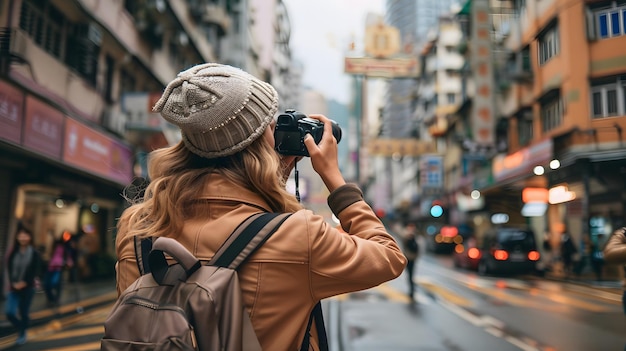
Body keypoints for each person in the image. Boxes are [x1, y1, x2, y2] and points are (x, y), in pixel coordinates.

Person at [114, 63, 407, 351]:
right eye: (271, 126)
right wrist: (334, 178)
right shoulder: (298, 234)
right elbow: (388, 257)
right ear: (260, 143)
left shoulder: (139, 227)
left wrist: (270, 180)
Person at [5, 223, 42, 345]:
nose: (23, 237)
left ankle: (22, 334)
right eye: (20, 235)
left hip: (27, 288)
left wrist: (24, 282)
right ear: (17, 237)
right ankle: (22, 327)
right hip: (14, 287)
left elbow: (35, 270)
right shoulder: (13, 252)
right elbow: (9, 268)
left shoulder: (34, 253)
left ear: (30, 237)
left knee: (23, 312)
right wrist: (13, 283)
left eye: (25, 235)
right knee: (9, 312)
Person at [44, 232, 74, 306]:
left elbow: (69, 257)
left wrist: (69, 263)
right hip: (51, 266)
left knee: (55, 283)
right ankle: (51, 299)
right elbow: (50, 253)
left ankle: (56, 299)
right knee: (46, 284)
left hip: (59, 268)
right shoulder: (56, 244)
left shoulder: (68, 247)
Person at [401, 223, 419, 302]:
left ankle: (412, 290)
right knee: (411, 275)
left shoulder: (407, 236)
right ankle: (412, 289)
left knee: (410, 275)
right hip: (412, 258)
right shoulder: (416, 236)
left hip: (408, 258)